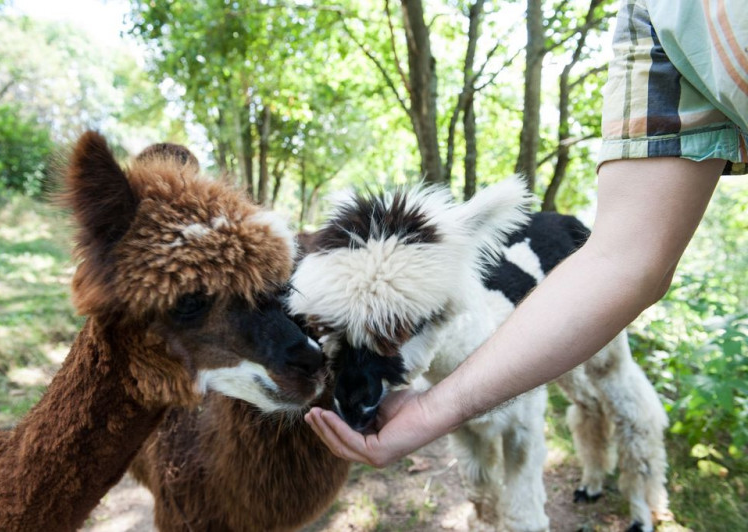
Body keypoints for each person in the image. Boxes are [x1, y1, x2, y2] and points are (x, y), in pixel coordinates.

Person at [304, 0, 747, 467]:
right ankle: (595, 474)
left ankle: (643, 492)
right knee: (575, 392)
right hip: (566, 283)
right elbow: (628, 259)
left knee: (612, 380)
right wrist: (435, 409)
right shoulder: (653, 20)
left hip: (551, 255)